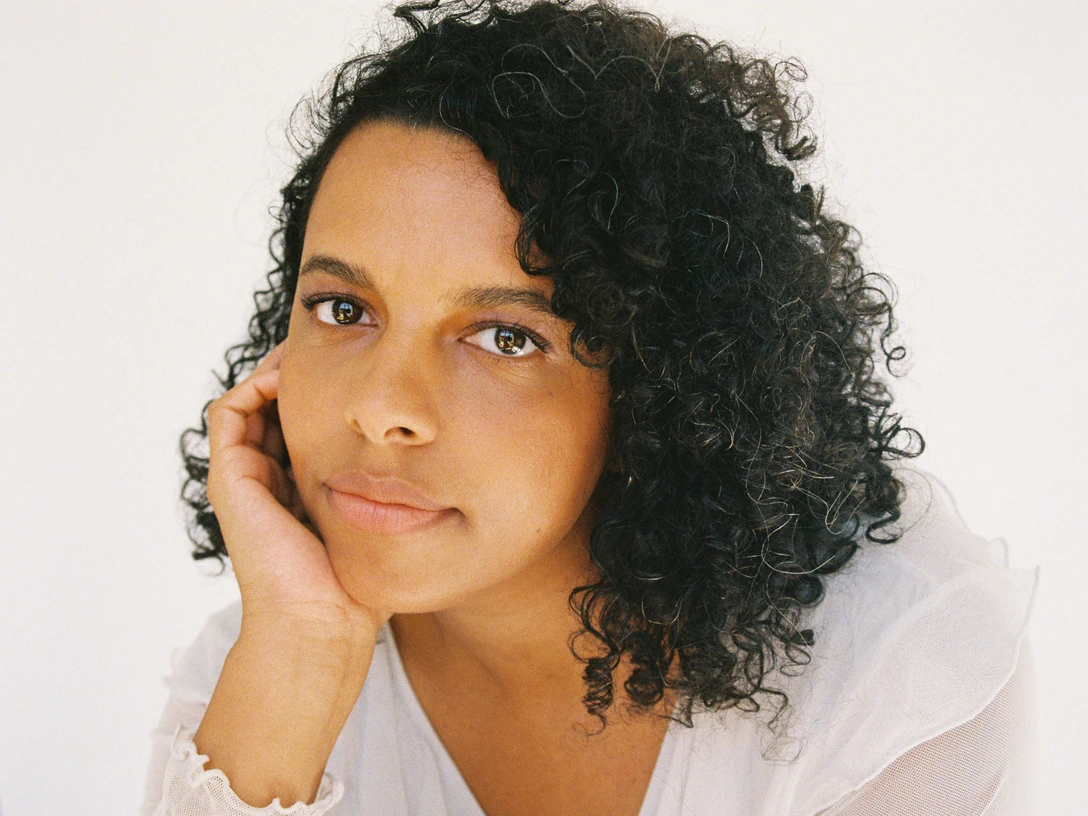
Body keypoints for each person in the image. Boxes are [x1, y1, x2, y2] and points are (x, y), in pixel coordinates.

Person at [142, 1, 1039, 813]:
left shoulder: (890, 676)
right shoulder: (258, 678)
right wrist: (300, 648)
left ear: (658, 383)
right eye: (344, 310)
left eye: (503, 337)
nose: (381, 410)